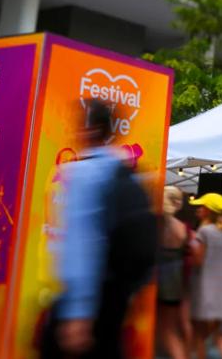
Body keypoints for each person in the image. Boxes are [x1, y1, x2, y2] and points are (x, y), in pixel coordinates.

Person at [43, 101, 157, 359]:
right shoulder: (125, 172)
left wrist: (78, 311)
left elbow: (82, 243)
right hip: (116, 295)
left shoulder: (83, 174)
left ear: (89, 129)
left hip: (89, 298)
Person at [188, 192, 222, 359]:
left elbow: (198, 261)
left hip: (204, 290)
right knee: (208, 336)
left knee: (207, 337)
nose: (199, 209)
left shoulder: (204, 231)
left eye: (202, 207)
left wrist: (190, 244)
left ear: (209, 211)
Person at [157, 186, 192, 359]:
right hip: (176, 282)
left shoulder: (160, 224)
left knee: (166, 332)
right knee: (170, 329)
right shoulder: (182, 228)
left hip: (159, 282)